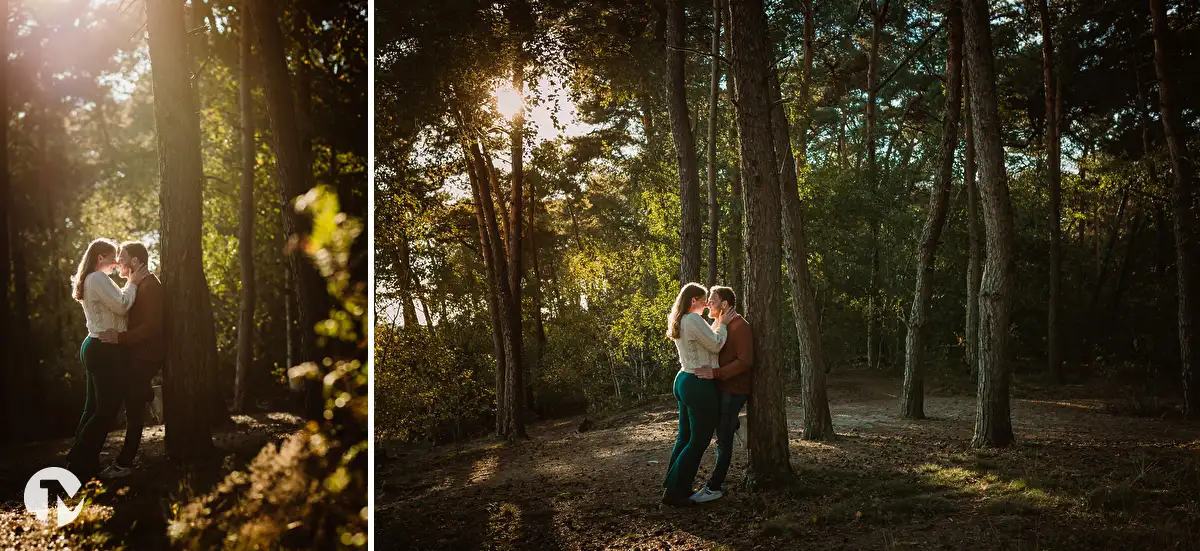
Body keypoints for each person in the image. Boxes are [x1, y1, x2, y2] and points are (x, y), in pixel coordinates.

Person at [65, 238, 148, 479]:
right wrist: (132, 283)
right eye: (113, 258)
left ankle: (81, 459)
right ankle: (80, 460)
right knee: (106, 409)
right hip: (102, 349)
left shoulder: (94, 279)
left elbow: (115, 305)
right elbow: (122, 305)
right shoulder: (97, 278)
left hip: (95, 345)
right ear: (100, 258)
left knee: (93, 407)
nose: (116, 263)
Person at [661, 282, 734, 507]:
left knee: (684, 437)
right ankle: (675, 492)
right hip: (697, 383)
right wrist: (723, 324)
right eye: (703, 301)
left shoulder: (682, 319)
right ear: (693, 301)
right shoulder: (693, 319)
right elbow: (716, 344)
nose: (706, 305)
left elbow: (704, 339)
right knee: (698, 440)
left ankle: (675, 487)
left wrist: (716, 323)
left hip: (684, 379)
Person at [97, 241, 162, 479]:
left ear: (135, 261)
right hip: (135, 354)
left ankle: (124, 464)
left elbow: (153, 326)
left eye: (122, 258)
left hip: (146, 356)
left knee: (133, 412)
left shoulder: (150, 286)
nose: (117, 262)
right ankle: (151, 394)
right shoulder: (137, 283)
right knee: (130, 396)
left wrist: (120, 338)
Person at [692, 285, 753, 503]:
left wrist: (715, 373)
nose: (708, 303)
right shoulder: (719, 324)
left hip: (733, 390)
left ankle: (714, 487)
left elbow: (745, 361)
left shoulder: (740, 326)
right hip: (720, 388)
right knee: (719, 428)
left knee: (723, 440)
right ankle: (736, 424)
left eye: (712, 300)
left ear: (724, 304)